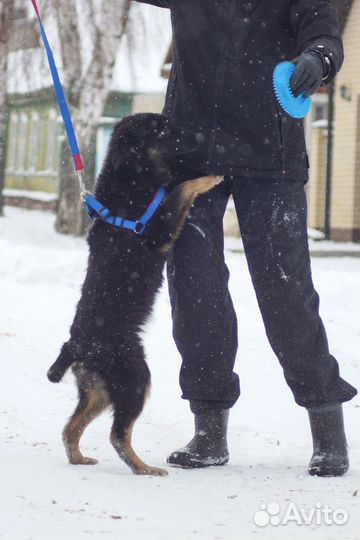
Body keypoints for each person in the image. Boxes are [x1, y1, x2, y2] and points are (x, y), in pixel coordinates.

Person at [134, 0, 357, 476]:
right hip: (191, 154)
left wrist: (317, 59)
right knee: (196, 290)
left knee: (285, 290)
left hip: (269, 155)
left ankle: (326, 426)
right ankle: (209, 430)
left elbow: (324, 33)